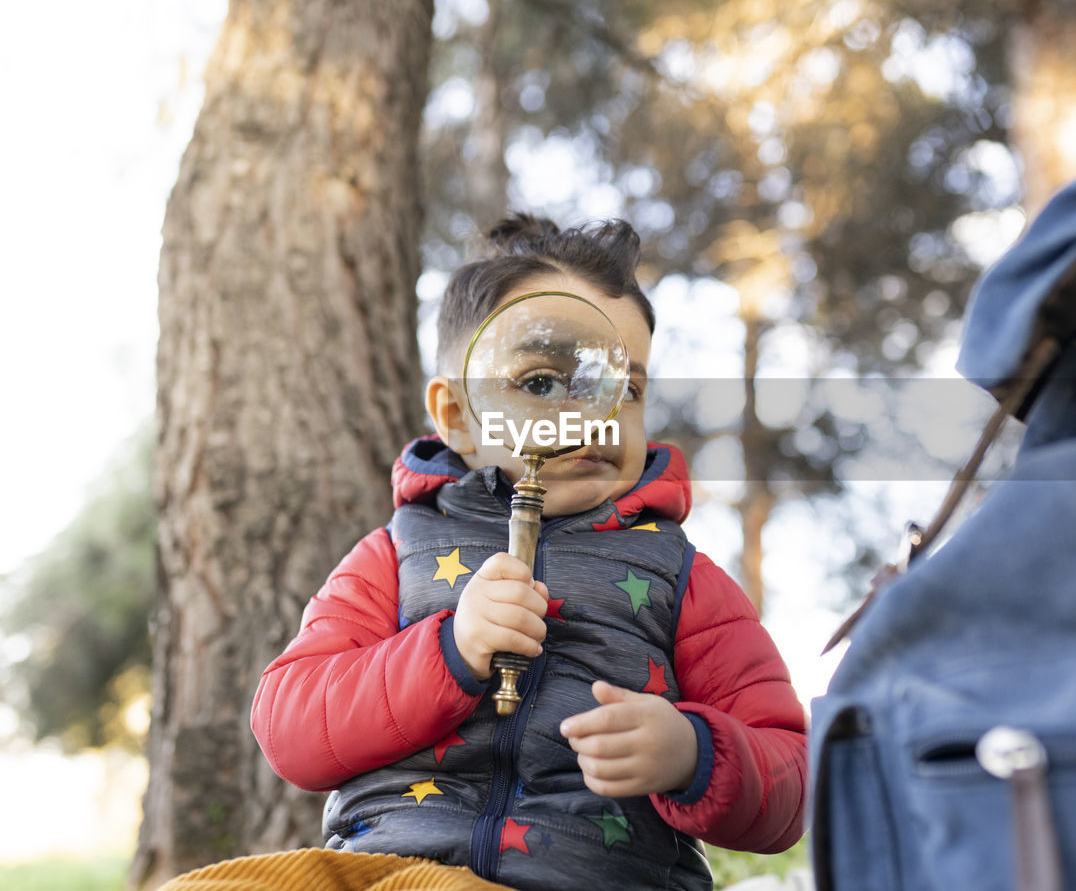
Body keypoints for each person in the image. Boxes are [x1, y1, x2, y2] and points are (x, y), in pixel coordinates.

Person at [161, 214, 807, 891]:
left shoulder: (682, 578)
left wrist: (693, 754)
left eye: (629, 388)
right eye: (542, 382)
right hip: (376, 865)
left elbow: (790, 778)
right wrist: (447, 651)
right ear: (457, 416)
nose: (598, 412)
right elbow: (289, 726)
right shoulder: (395, 555)